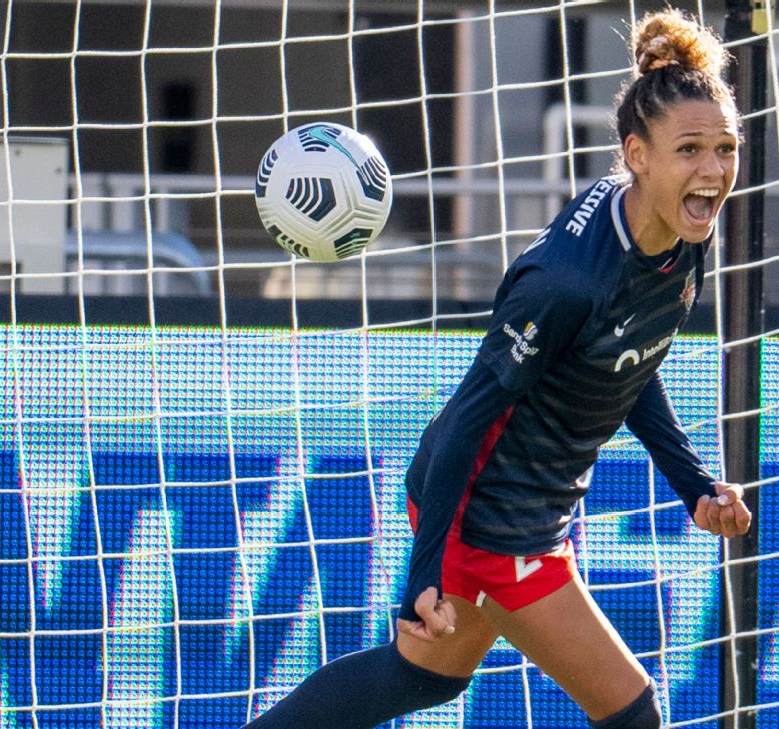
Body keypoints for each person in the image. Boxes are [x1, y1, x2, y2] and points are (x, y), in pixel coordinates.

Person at [243, 8, 752, 729]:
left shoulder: (680, 226)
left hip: (528, 503)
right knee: (633, 714)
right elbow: (471, 415)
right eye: (692, 149)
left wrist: (693, 483)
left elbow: (627, 358)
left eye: (726, 148)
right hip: (491, 515)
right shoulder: (566, 279)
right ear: (636, 155)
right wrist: (420, 578)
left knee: (421, 680)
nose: (713, 170)